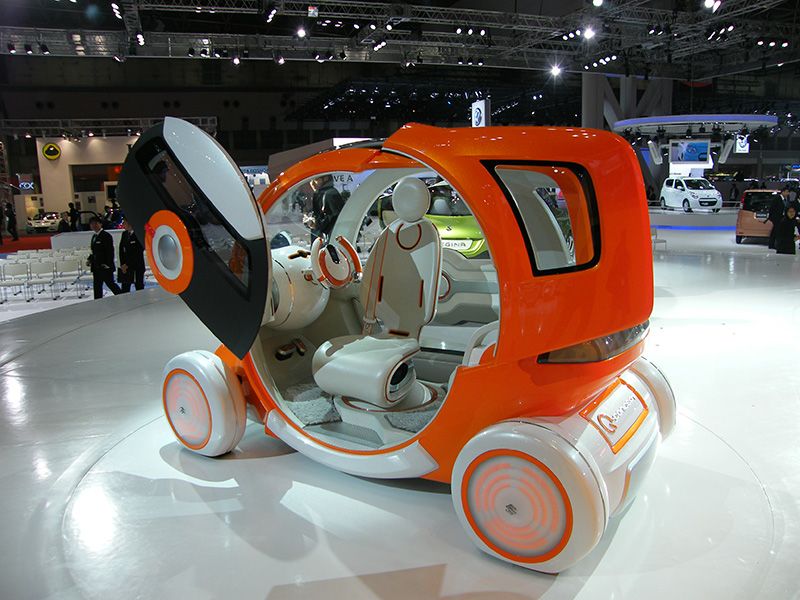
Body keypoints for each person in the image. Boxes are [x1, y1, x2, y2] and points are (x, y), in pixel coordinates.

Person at [88, 216, 121, 299]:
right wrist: (90, 260)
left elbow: (110, 252)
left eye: (96, 223)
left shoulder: (106, 235)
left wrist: (108, 264)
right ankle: (98, 302)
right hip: (96, 267)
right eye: (92, 224)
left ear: (100, 224)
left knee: (110, 284)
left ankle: (122, 296)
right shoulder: (94, 237)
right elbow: (94, 252)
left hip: (105, 267)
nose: (94, 225)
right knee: (97, 286)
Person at [308, 174, 344, 241]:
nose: (312, 183)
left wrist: (316, 224)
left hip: (332, 238)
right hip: (327, 237)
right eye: (310, 180)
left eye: (315, 180)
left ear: (326, 178)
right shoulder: (321, 193)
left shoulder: (329, 194)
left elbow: (333, 218)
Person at [118, 217, 145, 292]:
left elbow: (138, 252)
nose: (123, 224)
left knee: (139, 287)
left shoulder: (138, 234)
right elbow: (121, 250)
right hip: (126, 267)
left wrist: (128, 264)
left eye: (124, 222)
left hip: (137, 266)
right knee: (125, 288)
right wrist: (123, 264)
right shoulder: (124, 234)